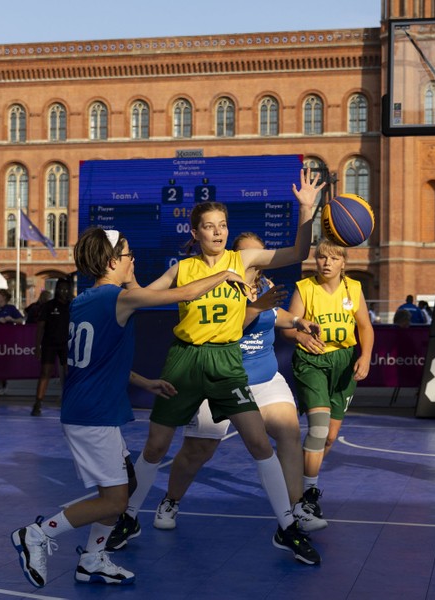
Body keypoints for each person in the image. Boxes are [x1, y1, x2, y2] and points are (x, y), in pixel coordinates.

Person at [108, 169, 324, 566]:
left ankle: (285, 527)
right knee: (157, 446)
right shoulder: (182, 269)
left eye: (223, 225)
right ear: (195, 233)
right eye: (209, 227)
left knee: (260, 443)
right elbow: (140, 298)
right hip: (185, 359)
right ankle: (129, 517)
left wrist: (307, 208)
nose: (218, 232)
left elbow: (298, 253)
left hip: (226, 361)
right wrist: (123, 280)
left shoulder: (242, 260)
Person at [10, 227, 246, 588]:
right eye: (128, 254)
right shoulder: (117, 298)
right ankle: (39, 533)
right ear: (111, 262)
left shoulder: (85, 300)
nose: (133, 259)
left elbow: (100, 359)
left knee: (128, 483)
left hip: (88, 410)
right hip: (93, 415)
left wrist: (144, 381)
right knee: (116, 502)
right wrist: (226, 273)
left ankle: (92, 560)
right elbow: (182, 292)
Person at [144, 232, 326, 535]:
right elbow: (225, 326)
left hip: (265, 378)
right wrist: (255, 306)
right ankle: (171, 500)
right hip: (221, 377)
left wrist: (296, 321)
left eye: (261, 256)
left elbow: (273, 313)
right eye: (250, 257)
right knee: (198, 450)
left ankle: (297, 509)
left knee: (289, 433)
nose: (257, 263)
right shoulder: (218, 283)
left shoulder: (264, 285)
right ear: (236, 258)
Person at [283, 238, 375, 524]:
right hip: (313, 361)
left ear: (343, 263)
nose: (326, 262)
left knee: (330, 437)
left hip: (344, 362)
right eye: (322, 257)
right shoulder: (305, 288)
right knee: (319, 430)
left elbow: (365, 327)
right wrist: (300, 335)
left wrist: (366, 356)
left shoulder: (354, 288)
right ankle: (308, 495)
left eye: (333, 258)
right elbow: (288, 325)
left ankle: (302, 478)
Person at [31, 279, 72, 416]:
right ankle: (38, 403)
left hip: (66, 344)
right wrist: (38, 346)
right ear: (56, 289)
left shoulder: (72, 305)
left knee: (69, 374)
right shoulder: (48, 306)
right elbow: (40, 327)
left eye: (66, 289)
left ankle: (70, 402)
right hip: (49, 343)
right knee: (45, 373)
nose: (63, 291)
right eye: (61, 289)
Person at [0, 289, 25, 396]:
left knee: (5, 363)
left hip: (8, 342)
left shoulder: (11, 309)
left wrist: (11, 319)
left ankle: (4, 383)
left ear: (4, 297)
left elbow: (21, 320)